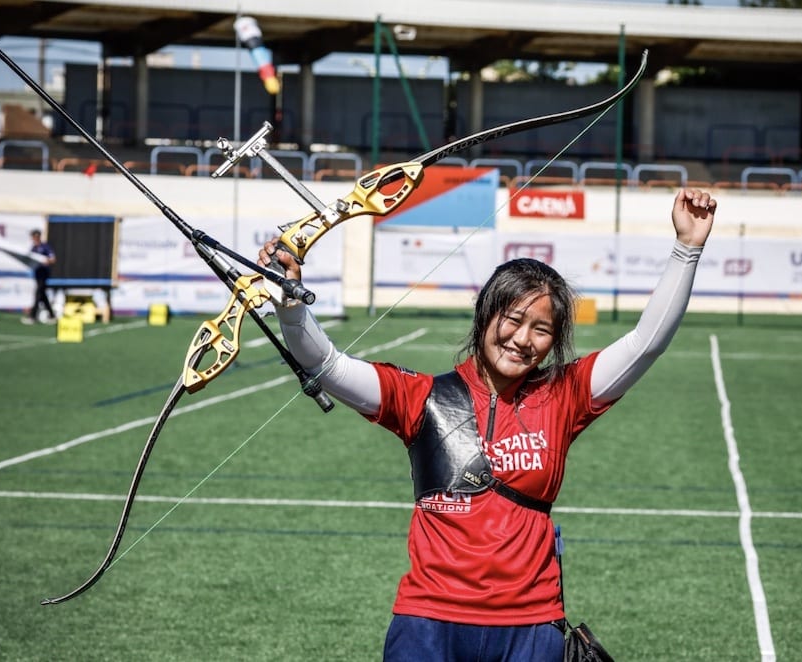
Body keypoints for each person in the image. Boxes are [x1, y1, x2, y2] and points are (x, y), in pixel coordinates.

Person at [258, 187, 716, 662]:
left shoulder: (565, 394)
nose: (523, 340)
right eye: (513, 319)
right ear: (485, 315)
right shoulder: (420, 396)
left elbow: (646, 344)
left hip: (530, 625)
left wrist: (687, 247)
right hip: (428, 622)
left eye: (542, 330)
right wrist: (290, 308)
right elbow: (327, 365)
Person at [23, 228, 56, 325]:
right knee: (42, 295)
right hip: (37, 274)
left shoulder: (45, 247)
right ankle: (52, 315)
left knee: (38, 293)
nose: (35, 238)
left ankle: (32, 316)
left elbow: (53, 259)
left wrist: (47, 261)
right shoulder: (33, 248)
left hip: (44, 274)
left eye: (36, 236)